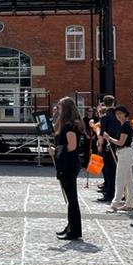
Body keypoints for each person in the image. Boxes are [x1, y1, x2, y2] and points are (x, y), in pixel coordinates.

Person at [51, 97, 84, 240]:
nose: (58, 110)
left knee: (72, 199)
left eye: (59, 108)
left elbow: (72, 146)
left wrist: (56, 149)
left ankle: (74, 230)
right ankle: (71, 226)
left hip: (69, 164)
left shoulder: (70, 126)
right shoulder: (68, 124)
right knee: (71, 199)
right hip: (68, 163)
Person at [109, 106, 133, 212]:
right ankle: (129, 203)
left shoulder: (125, 125)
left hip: (124, 152)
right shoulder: (124, 125)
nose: (118, 115)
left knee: (119, 179)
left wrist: (109, 138)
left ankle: (115, 204)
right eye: (116, 113)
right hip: (125, 152)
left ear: (125, 114)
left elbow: (121, 142)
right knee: (128, 180)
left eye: (120, 113)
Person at [97, 95, 120, 202]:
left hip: (108, 145)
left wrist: (100, 145)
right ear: (114, 102)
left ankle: (110, 192)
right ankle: (120, 191)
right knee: (117, 169)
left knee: (109, 169)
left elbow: (102, 133)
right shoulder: (119, 114)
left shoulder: (105, 116)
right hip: (119, 144)